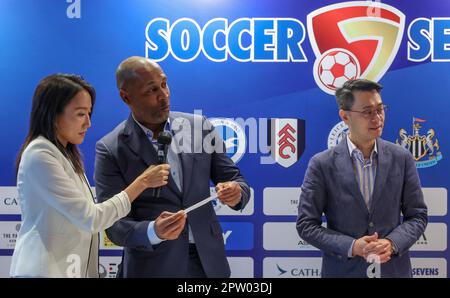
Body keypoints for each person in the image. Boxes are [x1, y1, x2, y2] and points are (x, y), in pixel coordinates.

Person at [94, 56, 250, 278]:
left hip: (207, 263)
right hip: (152, 266)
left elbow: (237, 181)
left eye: (164, 85)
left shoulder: (200, 127)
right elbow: (112, 224)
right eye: (151, 91)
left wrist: (236, 193)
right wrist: (153, 231)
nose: (163, 96)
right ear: (126, 96)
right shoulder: (111, 149)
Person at [10, 74, 175, 278]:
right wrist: (142, 183)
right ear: (53, 114)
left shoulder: (64, 154)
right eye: (80, 114)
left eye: (89, 113)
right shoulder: (40, 155)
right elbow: (91, 218)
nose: (88, 123)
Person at [296, 79, 428, 278]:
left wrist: (392, 243)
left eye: (380, 109)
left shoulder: (402, 158)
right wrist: (352, 246)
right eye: (367, 111)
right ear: (345, 116)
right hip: (343, 272)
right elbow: (306, 225)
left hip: (392, 271)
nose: (377, 118)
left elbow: (417, 215)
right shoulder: (322, 164)